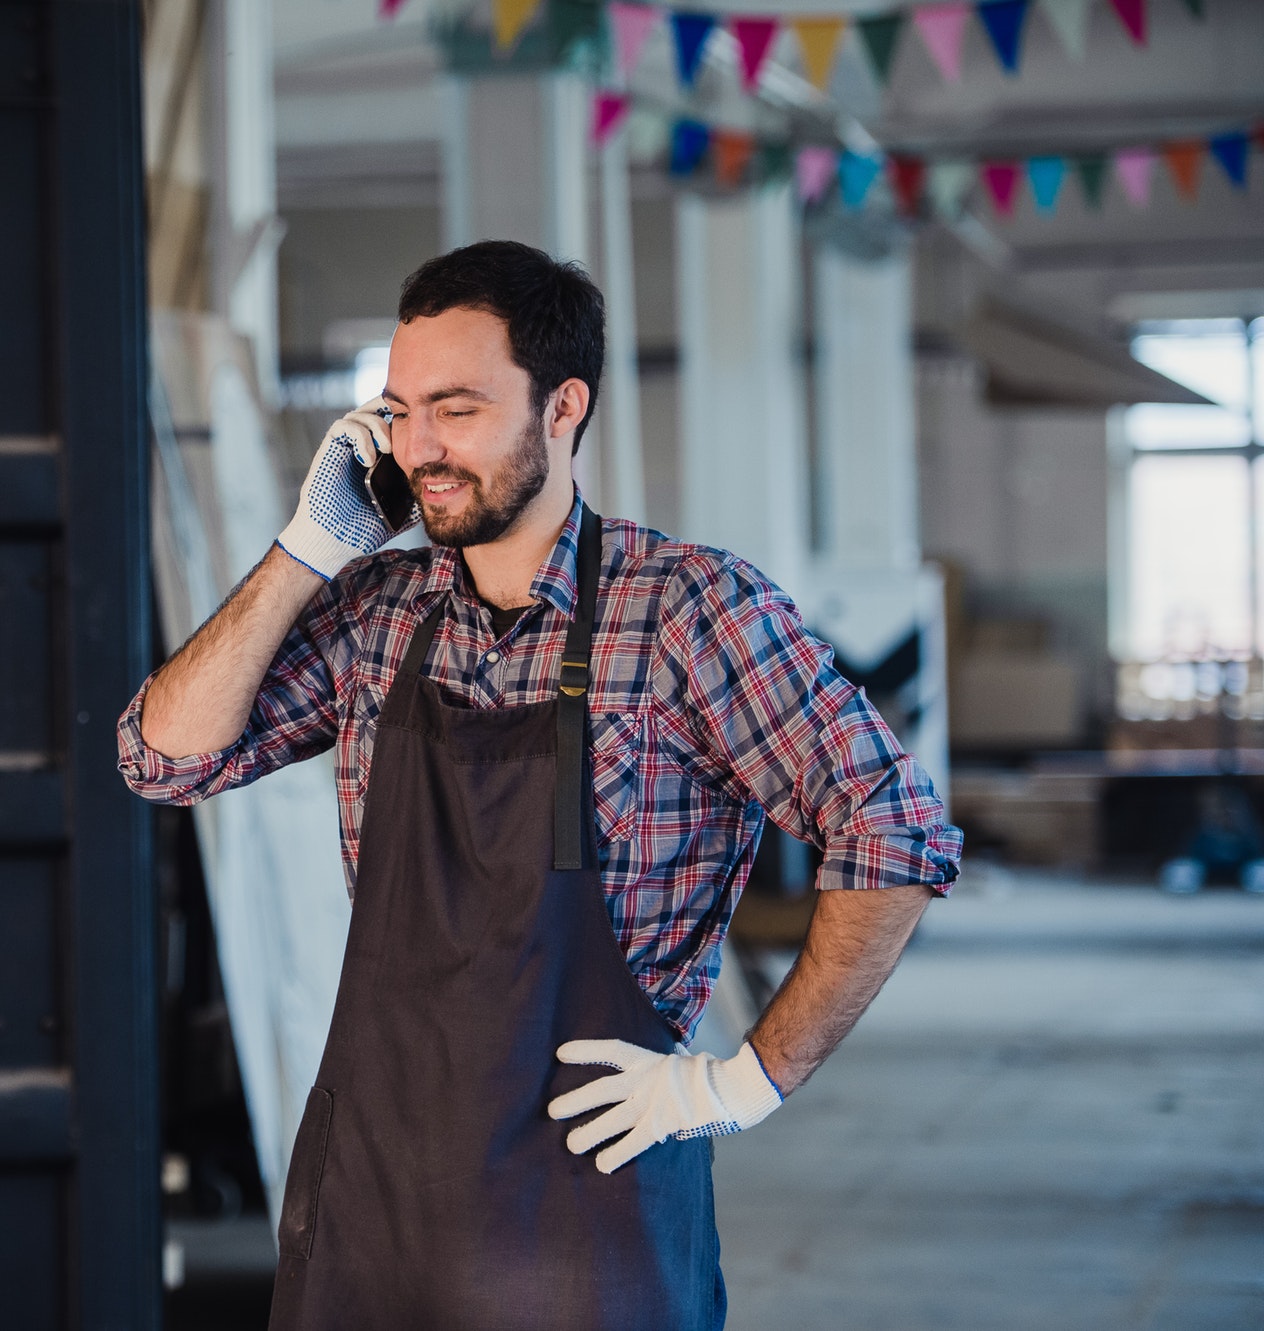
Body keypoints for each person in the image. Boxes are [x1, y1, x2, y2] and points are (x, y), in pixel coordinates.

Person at [117, 241, 961, 1330]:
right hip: (374, 1197)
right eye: (399, 408)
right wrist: (302, 549)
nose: (419, 447)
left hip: (584, 1208)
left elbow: (893, 830)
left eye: (456, 409)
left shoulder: (685, 612)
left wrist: (739, 1083)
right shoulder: (378, 610)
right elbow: (161, 757)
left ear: (561, 407)